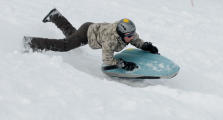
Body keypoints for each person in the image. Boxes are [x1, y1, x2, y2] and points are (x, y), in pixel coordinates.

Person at [23, 8, 159, 71]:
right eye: (129, 35)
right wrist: (122, 64)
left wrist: (145, 45)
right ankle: (31, 42)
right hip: (87, 33)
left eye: (132, 34)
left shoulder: (126, 33)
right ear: (122, 33)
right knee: (66, 45)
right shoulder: (110, 39)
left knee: (71, 35)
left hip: (92, 28)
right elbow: (107, 60)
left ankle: (55, 16)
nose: (132, 37)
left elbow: (135, 39)